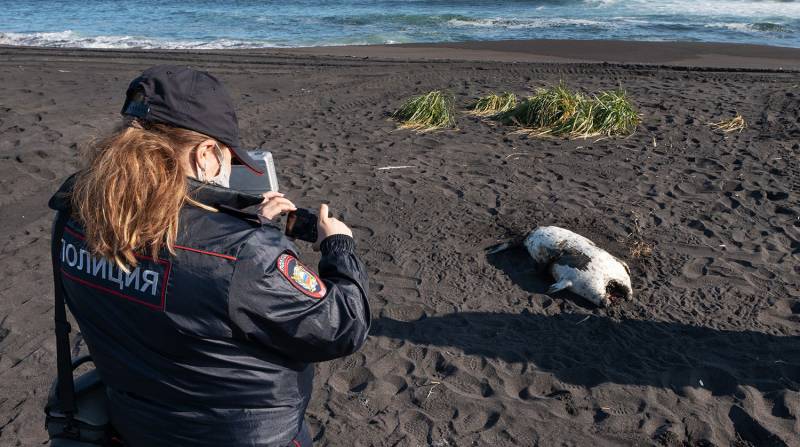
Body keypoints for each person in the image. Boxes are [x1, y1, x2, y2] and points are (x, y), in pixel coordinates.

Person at [47, 65, 370, 447]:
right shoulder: (243, 253)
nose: (226, 170)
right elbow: (341, 327)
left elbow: (174, 261)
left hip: (138, 425)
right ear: (204, 154)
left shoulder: (75, 216)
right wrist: (338, 246)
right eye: (227, 160)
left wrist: (254, 229)